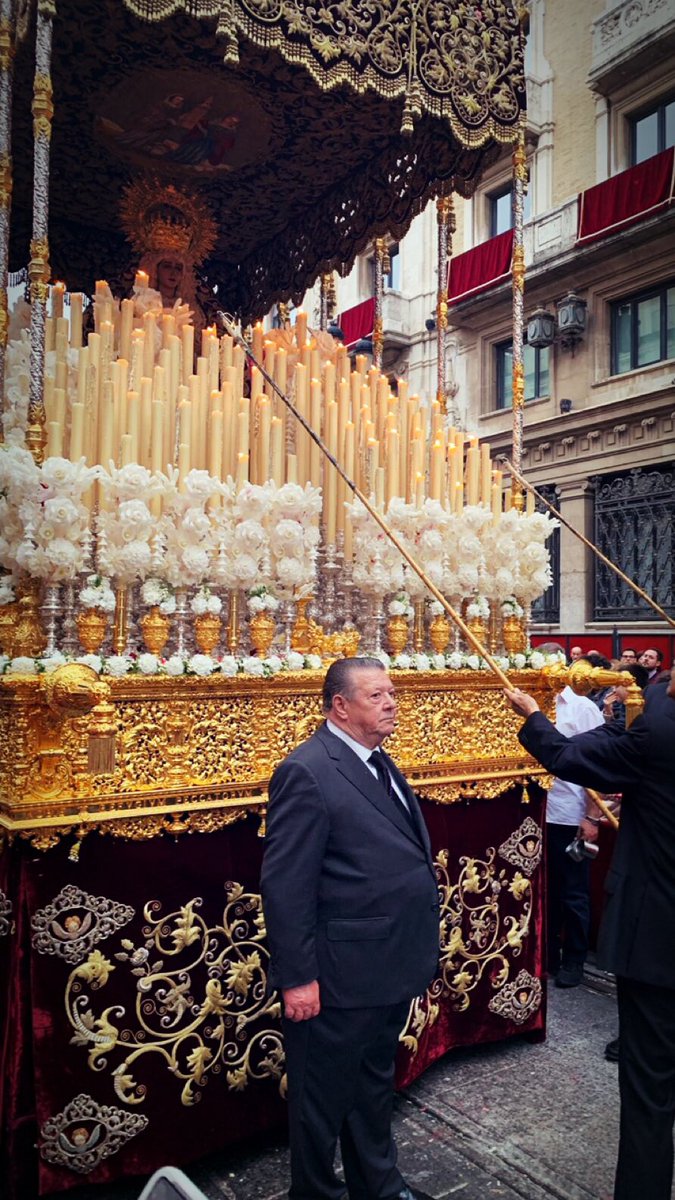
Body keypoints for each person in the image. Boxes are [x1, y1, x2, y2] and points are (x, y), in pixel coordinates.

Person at [261, 657, 439, 1200]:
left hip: (383, 968)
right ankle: (313, 1193)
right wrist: (297, 978)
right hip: (337, 976)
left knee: (372, 1086)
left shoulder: (378, 761)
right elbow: (286, 885)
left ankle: (377, 1185)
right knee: (321, 1099)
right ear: (340, 705)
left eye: (392, 693)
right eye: (377, 696)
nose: (391, 703)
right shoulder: (309, 770)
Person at [503, 669, 675, 1200]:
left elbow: (569, 758)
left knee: (649, 1086)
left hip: (659, 934)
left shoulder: (660, 727)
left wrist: (532, 717)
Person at [536, 645, 605, 987]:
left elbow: (598, 765)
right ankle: (546, 954)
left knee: (573, 892)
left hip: (570, 813)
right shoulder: (533, 704)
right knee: (542, 890)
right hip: (537, 812)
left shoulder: (582, 707)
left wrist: (592, 816)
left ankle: (574, 959)